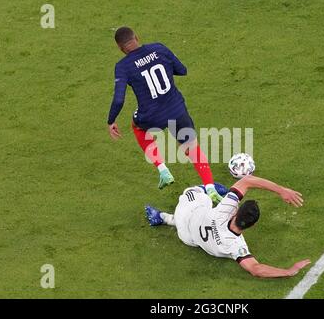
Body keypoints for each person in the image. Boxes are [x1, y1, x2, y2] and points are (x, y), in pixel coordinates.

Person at [107, 26, 222, 203]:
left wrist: (111, 120)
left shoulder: (123, 66)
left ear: (120, 48)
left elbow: (118, 99)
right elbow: (182, 70)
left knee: (137, 127)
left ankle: (163, 169)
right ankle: (210, 187)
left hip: (151, 116)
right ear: (136, 37)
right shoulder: (159, 48)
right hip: (176, 109)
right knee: (191, 147)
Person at [145, 175, 311, 278]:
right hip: (190, 240)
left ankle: (165, 216)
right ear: (252, 226)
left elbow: (247, 180)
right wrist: (288, 271)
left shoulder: (225, 209)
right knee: (199, 210)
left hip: (188, 215)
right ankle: (163, 218)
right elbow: (256, 269)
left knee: (193, 192)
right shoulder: (236, 246)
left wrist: (281, 190)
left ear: (235, 212)